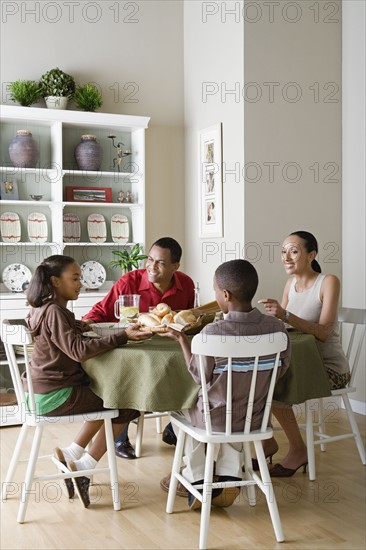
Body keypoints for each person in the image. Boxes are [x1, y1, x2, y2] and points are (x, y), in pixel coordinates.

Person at [160, 259, 291, 509]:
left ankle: (196, 476)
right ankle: (230, 472)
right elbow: (280, 371)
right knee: (229, 411)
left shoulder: (212, 333)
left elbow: (199, 376)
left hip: (216, 418)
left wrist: (183, 341)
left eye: (215, 290)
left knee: (181, 408)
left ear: (226, 294)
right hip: (254, 418)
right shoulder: (277, 328)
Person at [24, 255, 152, 507]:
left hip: (40, 392)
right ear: (55, 281)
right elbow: (78, 351)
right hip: (55, 396)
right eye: (74, 278)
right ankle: (84, 467)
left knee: (106, 394)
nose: (80, 284)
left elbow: (67, 335)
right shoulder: (54, 312)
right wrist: (122, 337)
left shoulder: (45, 308)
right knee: (128, 403)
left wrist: (84, 327)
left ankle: (72, 453)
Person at [83, 237, 195, 458]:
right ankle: (119, 436)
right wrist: (86, 322)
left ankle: (176, 425)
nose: (152, 266)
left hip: (166, 350)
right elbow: (102, 311)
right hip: (132, 349)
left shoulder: (187, 285)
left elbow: (186, 320)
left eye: (160, 263)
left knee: (189, 368)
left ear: (175, 266)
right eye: (150, 259)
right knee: (126, 376)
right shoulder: (129, 282)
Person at [258, 230, 351, 477]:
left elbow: (322, 333)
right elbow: (283, 327)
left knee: (272, 385)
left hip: (329, 369)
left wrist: (285, 315)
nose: (286, 257)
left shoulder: (328, 281)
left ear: (312, 255)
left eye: (294, 251)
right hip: (298, 363)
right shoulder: (290, 284)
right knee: (257, 377)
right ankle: (267, 441)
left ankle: (298, 450)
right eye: (283, 251)